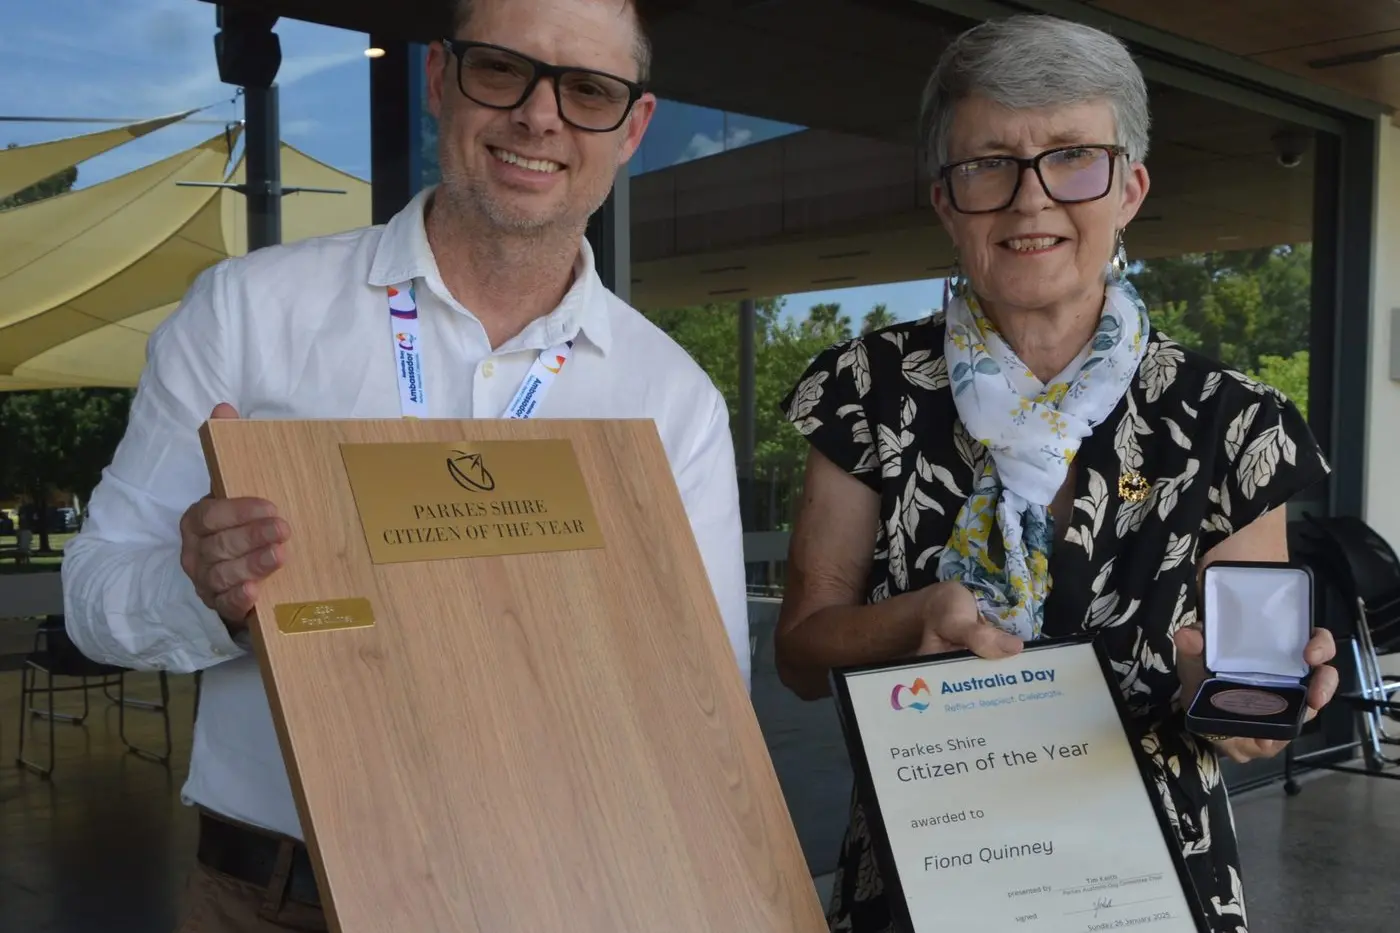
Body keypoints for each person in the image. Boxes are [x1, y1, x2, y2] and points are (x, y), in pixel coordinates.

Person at [62, 0, 749, 929]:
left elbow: (705, 702)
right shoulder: (247, 314)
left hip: (561, 893)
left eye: (587, 89)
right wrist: (204, 592)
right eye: (504, 69)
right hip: (274, 900)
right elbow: (92, 596)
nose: (540, 116)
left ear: (633, 128)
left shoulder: (674, 401)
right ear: (438, 80)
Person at [776, 15, 1337, 933]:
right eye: (989, 163)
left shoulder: (1232, 420)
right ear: (945, 199)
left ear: (1130, 188)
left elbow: (1244, 712)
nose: (1031, 200)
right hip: (929, 866)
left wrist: (1238, 700)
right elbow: (800, 652)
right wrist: (920, 615)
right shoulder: (865, 391)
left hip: (1152, 884)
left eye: (1074, 157)